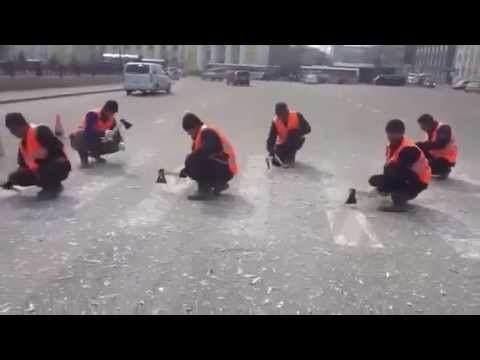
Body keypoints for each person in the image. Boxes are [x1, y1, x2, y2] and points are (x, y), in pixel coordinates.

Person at [2, 113, 71, 198]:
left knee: (51, 166)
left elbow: (56, 149)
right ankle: (46, 184)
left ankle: (54, 186)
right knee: (15, 176)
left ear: (17, 126)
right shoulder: (23, 144)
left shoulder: (40, 130)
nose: (12, 133)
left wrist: (38, 164)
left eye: (12, 130)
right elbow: (22, 165)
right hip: (40, 171)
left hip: (58, 166)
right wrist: (10, 183)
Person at [369, 119, 431, 212]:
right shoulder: (392, 145)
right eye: (390, 133)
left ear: (402, 133)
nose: (391, 136)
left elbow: (399, 172)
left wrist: (383, 185)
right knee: (381, 176)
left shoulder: (408, 149)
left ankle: (400, 201)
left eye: (395, 133)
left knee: (388, 178)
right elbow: (390, 166)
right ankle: (392, 190)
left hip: (417, 182)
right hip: (408, 176)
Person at [180, 113, 238, 200]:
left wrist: (189, 164)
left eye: (190, 131)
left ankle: (204, 189)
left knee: (192, 159)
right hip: (224, 167)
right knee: (193, 158)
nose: (189, 134)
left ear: (195, 126)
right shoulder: (202, 133)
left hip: (225, 169)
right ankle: (218, 183)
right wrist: (186, 170)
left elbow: (206, 151)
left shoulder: (207, 132)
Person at [69, 100, 125, 168]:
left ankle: (95, 154)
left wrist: (120, 141)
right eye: (111, 112)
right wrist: (104, 132)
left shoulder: (112, 119)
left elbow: (116, 133)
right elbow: (89, 131)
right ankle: (84, 159)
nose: (112, 115)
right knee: (83, 137)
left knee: (116, 143)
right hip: (79, 138)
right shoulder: (93, 114)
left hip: (96, 139)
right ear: (105, 109)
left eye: (113, 113)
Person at [266, 102, 311, 167]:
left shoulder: (297, 115)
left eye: (282, 114)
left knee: (289, 160)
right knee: (276, 162)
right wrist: (271, 150)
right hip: (282, 143)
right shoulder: (275, 121)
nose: (281, 117)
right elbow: (271, 139)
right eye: (278, 115)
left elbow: (308, 129)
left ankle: (290, 158)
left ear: (287, 112)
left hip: (295, 141)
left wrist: (296, 132)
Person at [415, 113, 457, 179]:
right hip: (434, 156)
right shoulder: (430, 131)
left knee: (419, 167)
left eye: (422, 126)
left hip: (445, 160)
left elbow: (441, 144)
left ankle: (444, 170)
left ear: (428, 123)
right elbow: (429, 144)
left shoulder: (444, 128)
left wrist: (422, 145)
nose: (422, 128)